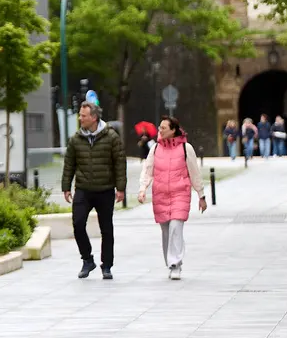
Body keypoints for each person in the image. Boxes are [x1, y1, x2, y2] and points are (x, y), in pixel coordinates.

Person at [61, 102, 126, 280]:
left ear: (94, 118)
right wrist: (66, 187)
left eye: (83, 116)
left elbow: (119, 163)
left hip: (105, 189)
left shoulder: (111, 137)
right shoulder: (75, 139)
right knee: (78, 224)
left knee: (106, 228)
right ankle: (87, 260)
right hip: (83, 189)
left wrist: (120, 188)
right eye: (80, 115)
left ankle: (107, 266)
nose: (80, 118)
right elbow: (69, 165)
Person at [137, 117, 206, 280]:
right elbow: (147, 170)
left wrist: (201, 195)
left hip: (180, 193)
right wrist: (142, 189)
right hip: (160, 194)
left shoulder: (185, 148)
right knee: (166, 231)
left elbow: (195, 172)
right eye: (159, 128)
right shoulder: (155, 149)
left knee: (176, 226)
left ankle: (175, 262)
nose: (160, 131)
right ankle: (170, 261)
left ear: (173, 130)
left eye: (163, 128)